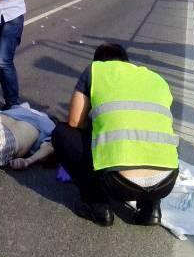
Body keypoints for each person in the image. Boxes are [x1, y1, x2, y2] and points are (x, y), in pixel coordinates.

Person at [52, 43, 179, 227]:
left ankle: (97, 205)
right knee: (157, 136)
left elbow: (74, 121)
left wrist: (97, 126)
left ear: (99, 62)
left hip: (119, 184)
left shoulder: (95, 71)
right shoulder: (156, 79)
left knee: (62, 133)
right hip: (167, 182)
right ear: (126, 62)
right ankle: (151, 209)